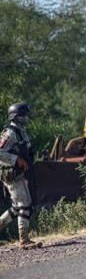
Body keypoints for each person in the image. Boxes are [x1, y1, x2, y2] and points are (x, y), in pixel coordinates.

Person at [0, 103, 42, 249]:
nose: (26, 118)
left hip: (19, 174)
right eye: (24, 115)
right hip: (12, 175)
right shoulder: (10, 133)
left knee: (17, 207)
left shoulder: (20, 131)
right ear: (16, 117)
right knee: (25, 205)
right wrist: (16, 160)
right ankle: (23, 240)